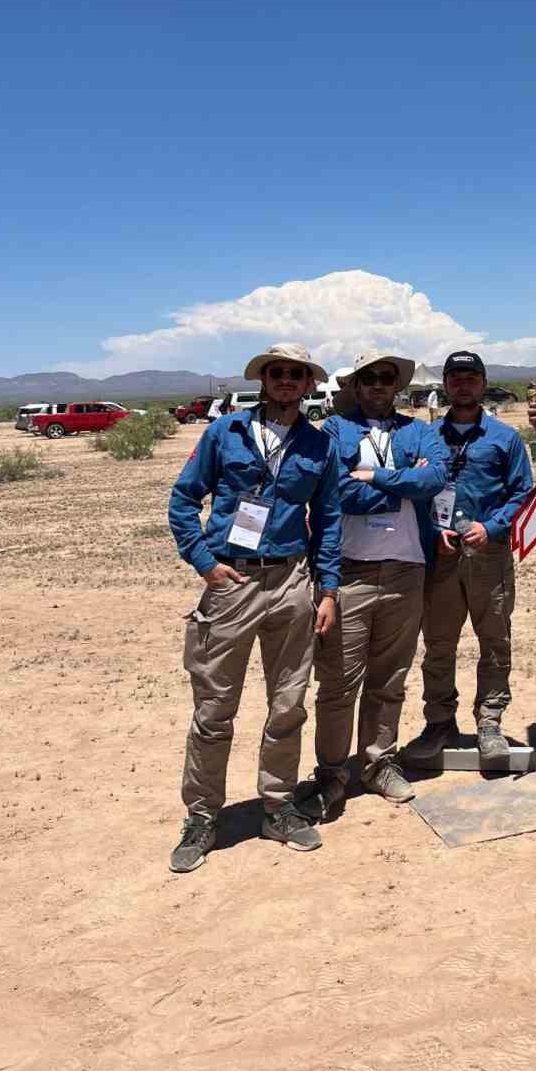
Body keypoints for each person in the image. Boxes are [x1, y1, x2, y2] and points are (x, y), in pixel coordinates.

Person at [166, 343, 342, 872]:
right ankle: (201, 816)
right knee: (214, 707)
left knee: (288, 703)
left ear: (308, 383)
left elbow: (329, 518)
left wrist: (327, 588)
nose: (287, 380)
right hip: (232, 580)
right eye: (277, 372)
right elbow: (183, 499)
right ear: (264, 379)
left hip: (291, 580)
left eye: (297, 373)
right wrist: (203, 562)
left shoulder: (318, 444)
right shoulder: (227, 432)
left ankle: (278, 806)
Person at [296, 353, 447, 820]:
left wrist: (378, 475)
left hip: (407, 568)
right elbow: (338, 491)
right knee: (338, 682)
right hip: (350, 571)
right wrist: (405, 484)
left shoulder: (419, 430)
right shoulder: (336, 432)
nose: (379, 386)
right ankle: (331, 774)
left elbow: (436, 477)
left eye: (387, 379)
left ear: (396, 386)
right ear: (356, 386)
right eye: (370, 379)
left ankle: (379, 762)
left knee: (391, 677)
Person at [403, 351, 535, 763]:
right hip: (439, 555)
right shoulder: (424, 438)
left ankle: (490, 721)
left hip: (488, 553)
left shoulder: (504, 438)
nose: (463, 385)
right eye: (455, 377)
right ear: (445, 384)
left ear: (482, 383)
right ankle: (439, 721)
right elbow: (412, 490)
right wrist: (431, 530)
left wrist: (492, 528)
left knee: (494, 640)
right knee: (439, 643)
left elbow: (522, 493)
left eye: (471, 377)